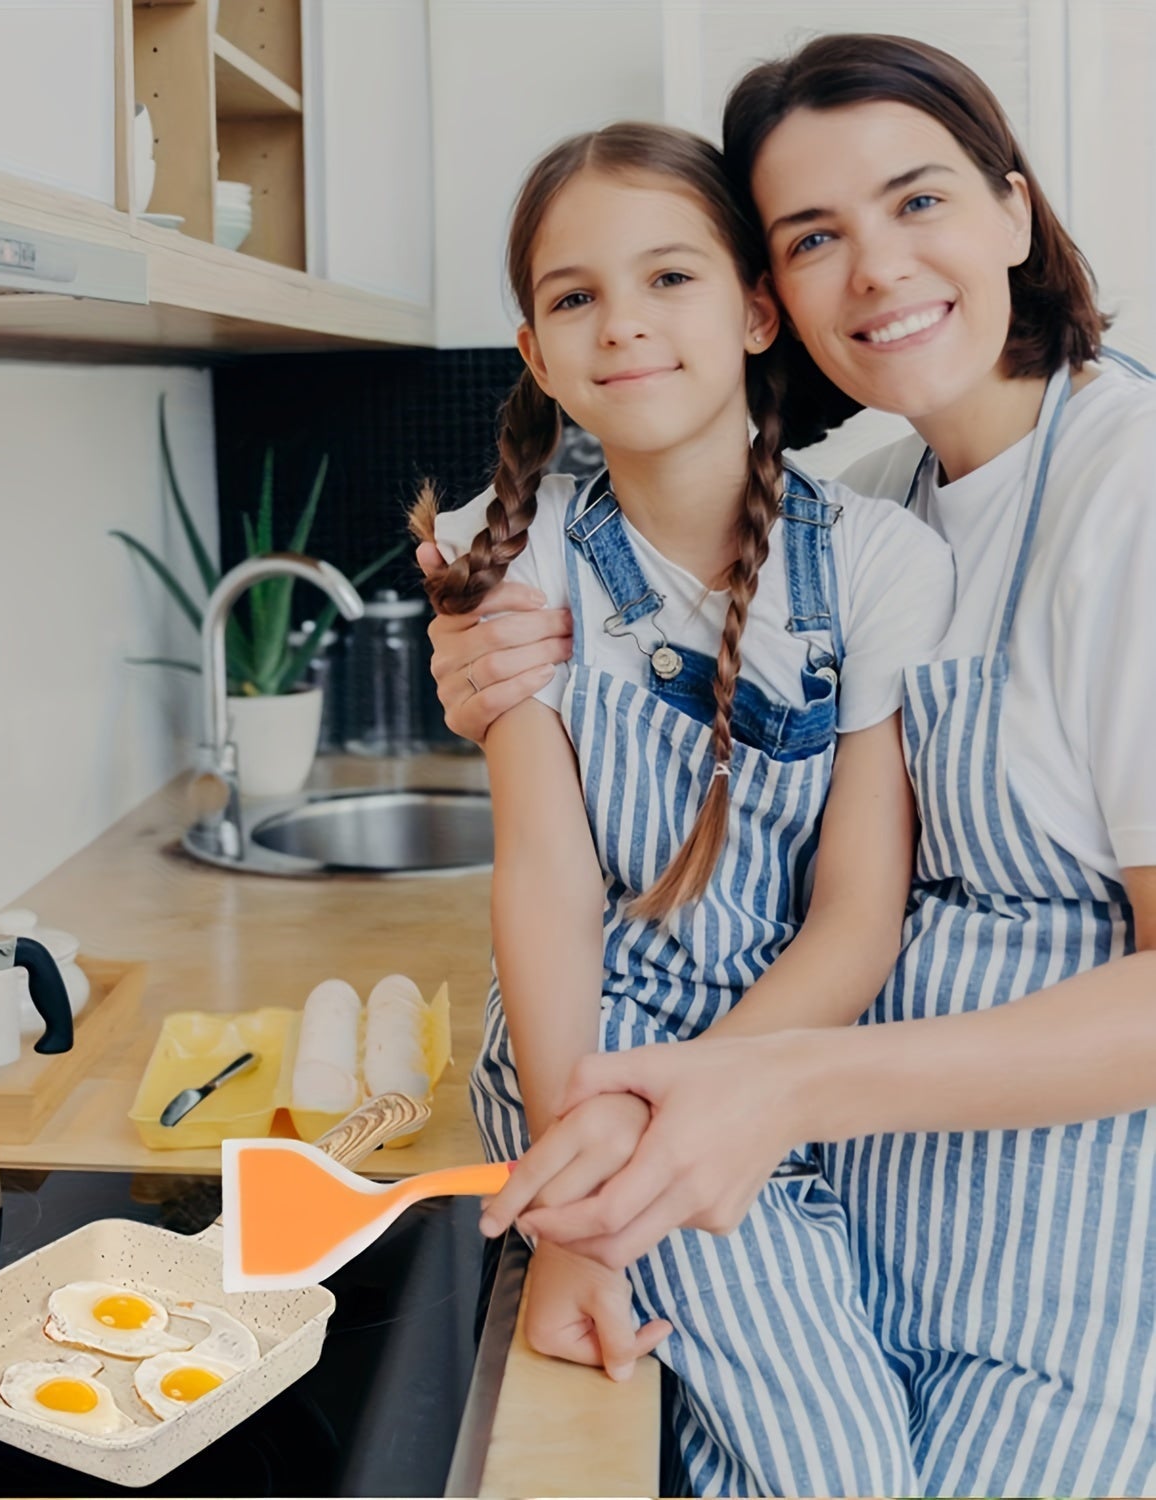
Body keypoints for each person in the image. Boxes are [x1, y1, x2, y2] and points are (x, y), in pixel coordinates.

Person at [423, 34, 1156, 1499]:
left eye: (921, 202)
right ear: (782, 293)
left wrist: (751, 1095)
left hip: (1037, 1259)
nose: (877, 270)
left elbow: (863, 914)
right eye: (818, 235)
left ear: (1016, 212)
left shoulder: (1125, 494)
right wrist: (488, 673)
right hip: (833, 1207)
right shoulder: (874, 493)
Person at [410, 118, 955, 1497]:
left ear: (758, 310)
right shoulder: (515, 552)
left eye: (670, 279)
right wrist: (576, 1210)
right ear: (534, 351)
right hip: (581, 1064)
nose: (622, 327)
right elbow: (544, 884)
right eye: (574, 296)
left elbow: (856, 920)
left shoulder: (884, 563)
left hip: (785, 1066)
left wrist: (709, 1109)